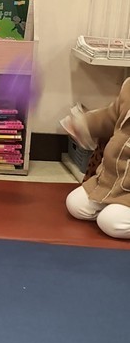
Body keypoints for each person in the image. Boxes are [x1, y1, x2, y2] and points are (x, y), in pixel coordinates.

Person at [62, 81, 130, 238]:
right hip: (110, 180)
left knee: (111, 222)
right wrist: (84, 124)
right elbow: (110, 116)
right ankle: (114, 207)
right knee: (74, 204)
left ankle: (117, 211)